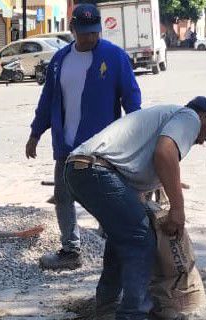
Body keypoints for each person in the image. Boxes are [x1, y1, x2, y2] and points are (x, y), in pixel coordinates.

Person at [62, 97, 206, 320]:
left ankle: (107, 305)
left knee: (123, 237)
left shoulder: (166, 117)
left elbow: (144, 167)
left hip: (83, 170)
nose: (202, 141)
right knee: (140, 238)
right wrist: (177, 209)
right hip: (96, 170)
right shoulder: (189, 117)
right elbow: (165, 152)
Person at [27, 3, 142, 271]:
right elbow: (47, 100)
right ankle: (70, 251)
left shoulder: (115, 57)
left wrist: (138, 134)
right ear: (72, 29)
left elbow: (132, 98)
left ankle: (115, 248)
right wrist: (35, 133)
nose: (90, 37)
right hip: (66, 146)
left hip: (101, 148)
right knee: (63, 197)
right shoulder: (59, 61)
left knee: (107, 199)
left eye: (94, 32)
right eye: (84, 32)